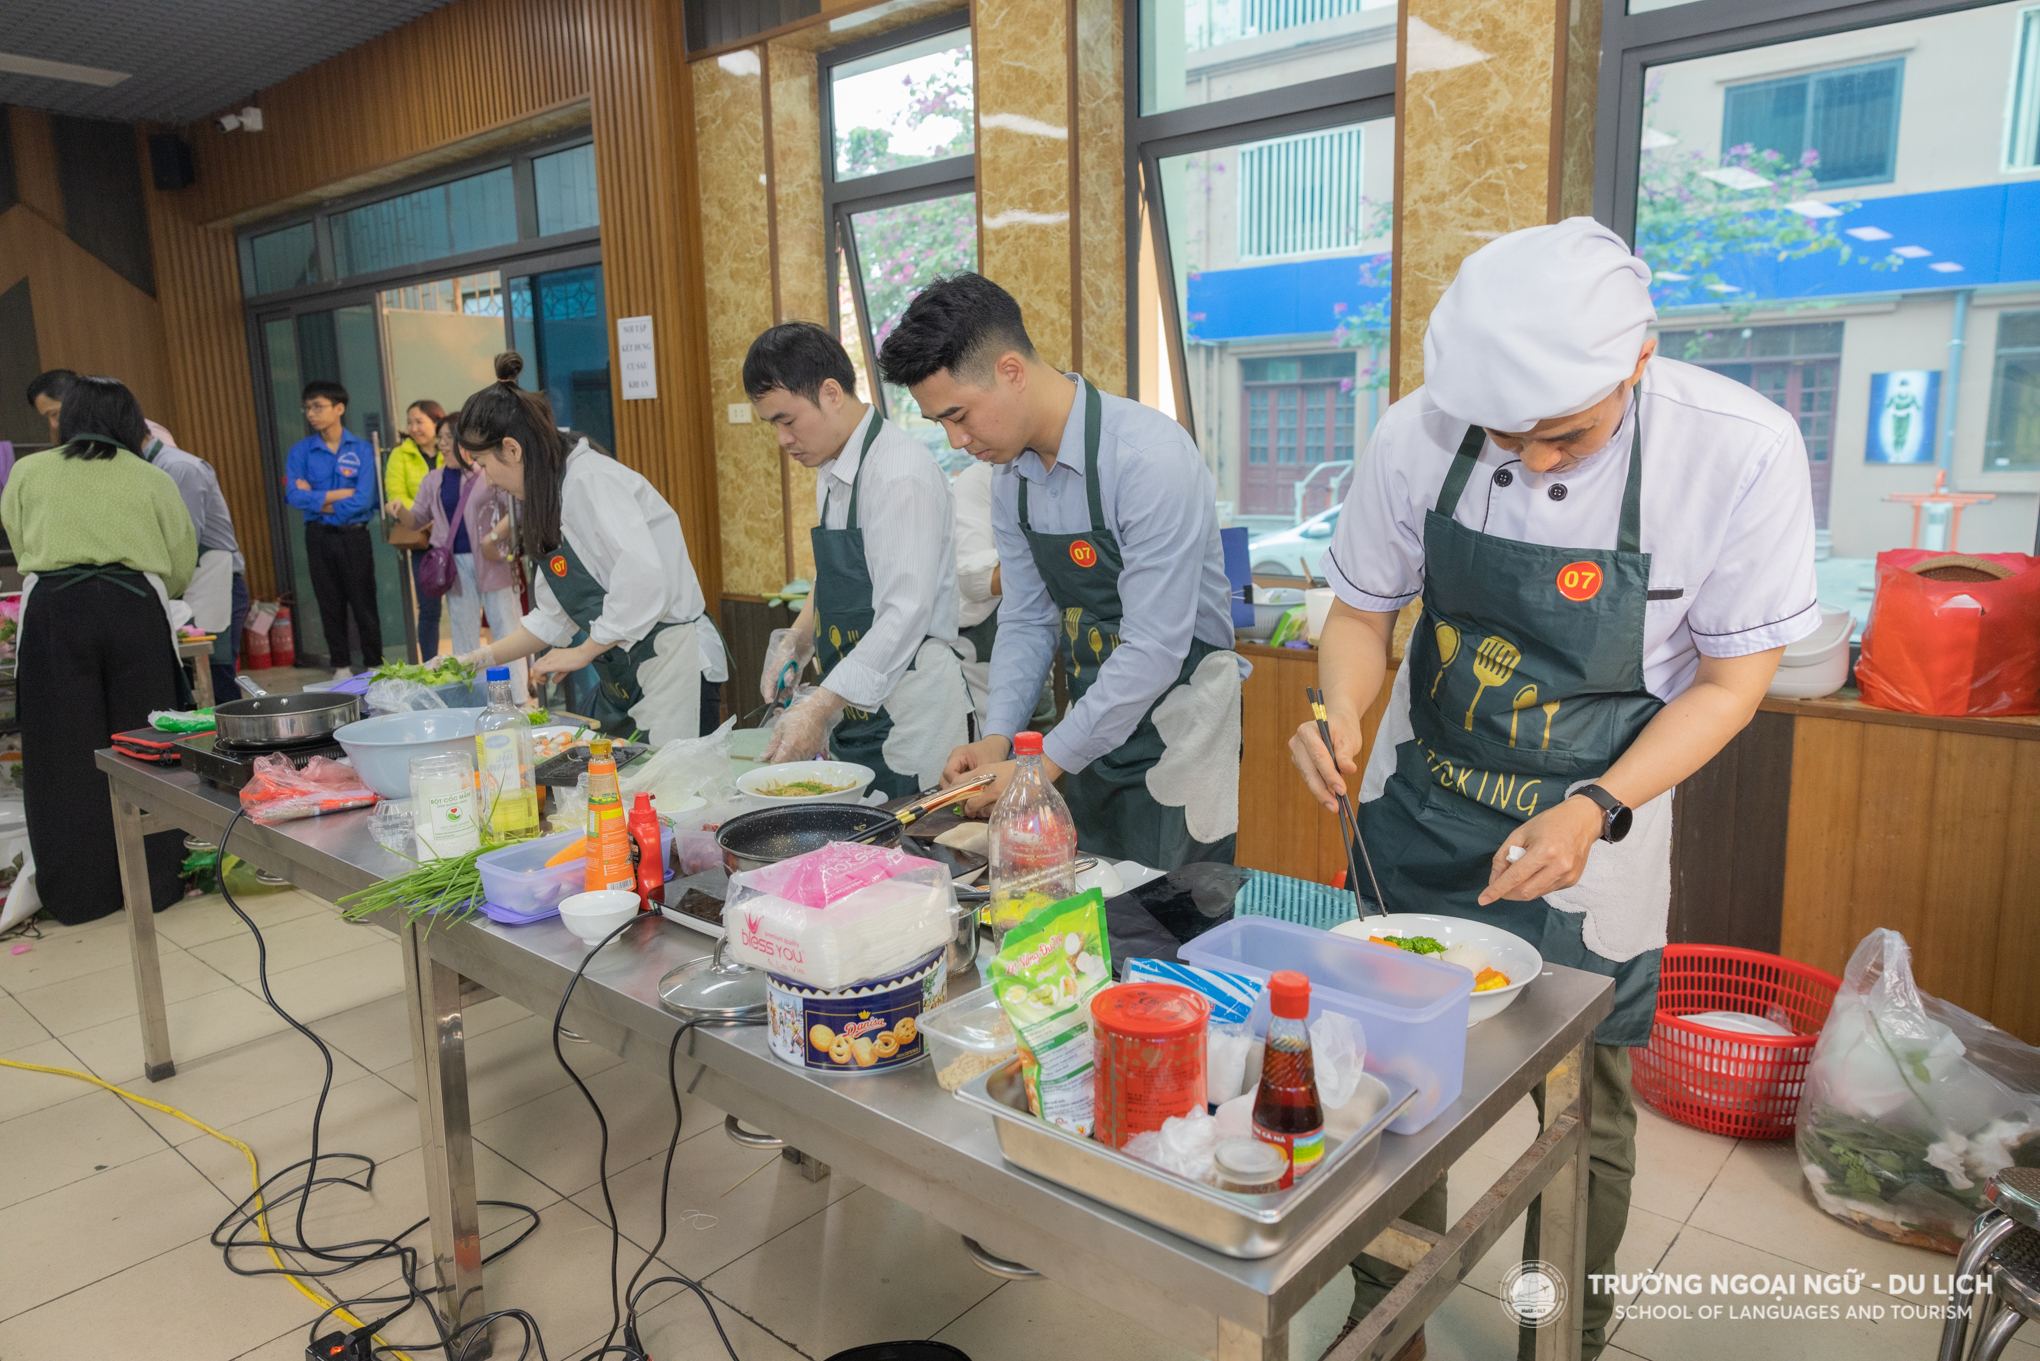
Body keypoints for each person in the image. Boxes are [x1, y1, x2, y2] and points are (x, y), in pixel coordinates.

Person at [1288, 219, 1819, 1361]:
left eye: (1563, 437)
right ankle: (1390, 1316)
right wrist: (1341, 710)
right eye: (1505, 438)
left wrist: (1595, 806)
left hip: (1598, 821)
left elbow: (1730, 685)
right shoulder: (1415, 431)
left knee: (1582, 1110)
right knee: (1387, 1078)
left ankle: (1557, 1332)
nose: (1530, 462)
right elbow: (1363, 611)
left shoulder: (1739, 449)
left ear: (1639, 356)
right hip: (1421, 801)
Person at [888, 274, 1244, 869]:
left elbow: (1156, 647)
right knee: (1083, 918)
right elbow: (1028, 620)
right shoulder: (1011, 480)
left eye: (959, 415)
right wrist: (999, 737)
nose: (956, 440)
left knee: (1169, 925)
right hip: (1086, 732)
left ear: (1010, 371)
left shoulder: (1148, 459)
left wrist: (1042, 763)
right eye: (940, 425)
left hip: (1179, 736)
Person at [744, 322, 971, 798]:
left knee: (913, 859)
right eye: (773, 426)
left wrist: (819, 705)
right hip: (857, 705)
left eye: (787, 420)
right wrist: (797, 642)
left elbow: (904, 614)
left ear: (830, 393)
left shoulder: (897, 474)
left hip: (913, 714)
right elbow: (836, 576)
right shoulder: (832, 466)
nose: (783, 439)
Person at [455, 353, 725, 746]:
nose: (486, 478)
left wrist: (582, 653)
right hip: (625, 676)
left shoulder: (591, 481)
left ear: (512, 449)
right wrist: (474, 660)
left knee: (668, 797)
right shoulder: (549, 499)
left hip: (676, 663)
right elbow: (553, 618)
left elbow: (644, 582)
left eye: (481, 462)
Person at [2, 376, 195, 925]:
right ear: (131, 422)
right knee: (146, 742)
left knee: (62, 753)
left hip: (56, 613)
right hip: (134, 607)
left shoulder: (29, 471)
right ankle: (158, 881)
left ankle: (79, 895)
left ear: (68, 417)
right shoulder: (151, 476)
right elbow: (180, 561)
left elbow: (20, 543)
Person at [26, 370, 249, 699]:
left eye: (58, 416)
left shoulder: (174, 469)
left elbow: (178, 543)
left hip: (209, 583)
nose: (57, 428)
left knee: (214, 679)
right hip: (166, 587)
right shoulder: (129, 468)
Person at [407, 416, 528, 702]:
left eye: (448, 437)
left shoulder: (487, 472)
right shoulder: (434, 479)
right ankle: (473, 698)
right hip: (455, 566)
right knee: (463, 633)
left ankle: (518, 696)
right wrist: (398, 510)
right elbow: (418, 518)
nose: (443, 444)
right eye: (441, 438)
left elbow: (518, 506)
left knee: (506, 627)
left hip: (493, 560)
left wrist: (496, 537)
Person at [284, 380, 383, 677]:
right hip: (319, 536)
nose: (311, 414)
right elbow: (294, 496)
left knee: (363, 601)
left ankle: (373, 663)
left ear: (339, 408)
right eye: (307, 408)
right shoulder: (301, 452)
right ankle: (340, 665)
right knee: (329, 601)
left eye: (318, 406)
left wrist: (319, 500)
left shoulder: (362, 450)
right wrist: (341, 495)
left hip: (355, 536)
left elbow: (366, 497)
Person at [384, 399, 446, 660]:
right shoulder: (401, 454)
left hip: (453, 536)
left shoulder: (451, 449)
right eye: (409, 422)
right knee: (429, 607)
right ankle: (430, 664)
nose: (413, 427)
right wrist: (426, 517)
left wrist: (441, 518)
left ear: (436, 421)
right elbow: (396, 494)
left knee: (465, 603)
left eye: (419, 421)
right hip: (422, 538)